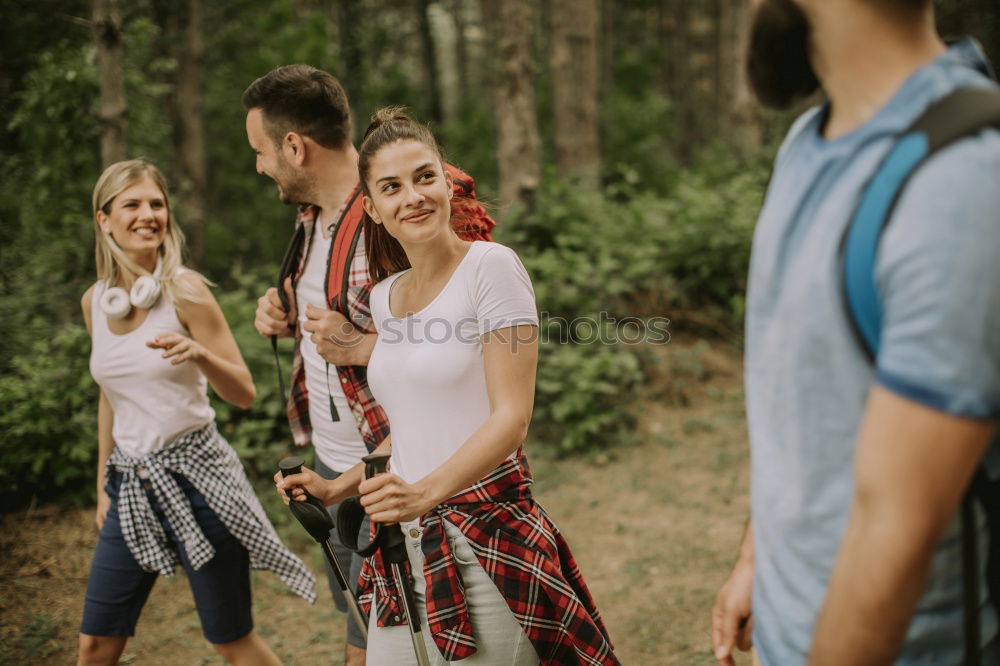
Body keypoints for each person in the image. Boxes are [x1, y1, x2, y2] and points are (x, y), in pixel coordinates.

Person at [710, 1, 1000, 665]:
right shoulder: (808, 140)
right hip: (787, 629)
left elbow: (893, 527)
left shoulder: (963, 178)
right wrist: (758, 557)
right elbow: (805, 398)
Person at [276, 108, 619, 665]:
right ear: (374, 208)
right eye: (391, 187)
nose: (412, 196)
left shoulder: (492, 268)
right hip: (403, 547)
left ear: (445, 181)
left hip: (485, 539)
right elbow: (412, 426)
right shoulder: (386, 298)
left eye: (424, 177)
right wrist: (337, 488)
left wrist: (425, 494)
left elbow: (512, 419)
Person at [244, 65, 493, 666]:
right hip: (334, 464)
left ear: (294, 147)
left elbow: (466, 345)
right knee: (364, 621)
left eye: (260, 151)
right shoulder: (310, 221)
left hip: (396, 468)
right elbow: (332, 315)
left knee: (391, 639)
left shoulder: (394, 217)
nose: (259, 165)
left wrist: (362, 346)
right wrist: (279, 309)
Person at [77, 160, 314, 666]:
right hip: (132, 484)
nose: (148, 214)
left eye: (156, 204)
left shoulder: (185, 290)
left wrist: (199, 354)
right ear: (104, 219)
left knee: (229, 638)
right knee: (96, 643)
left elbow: (245, 392)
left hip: (200, 480)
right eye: (132, 205)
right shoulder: (96, 302)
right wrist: (103, 481)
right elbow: (110, 395)